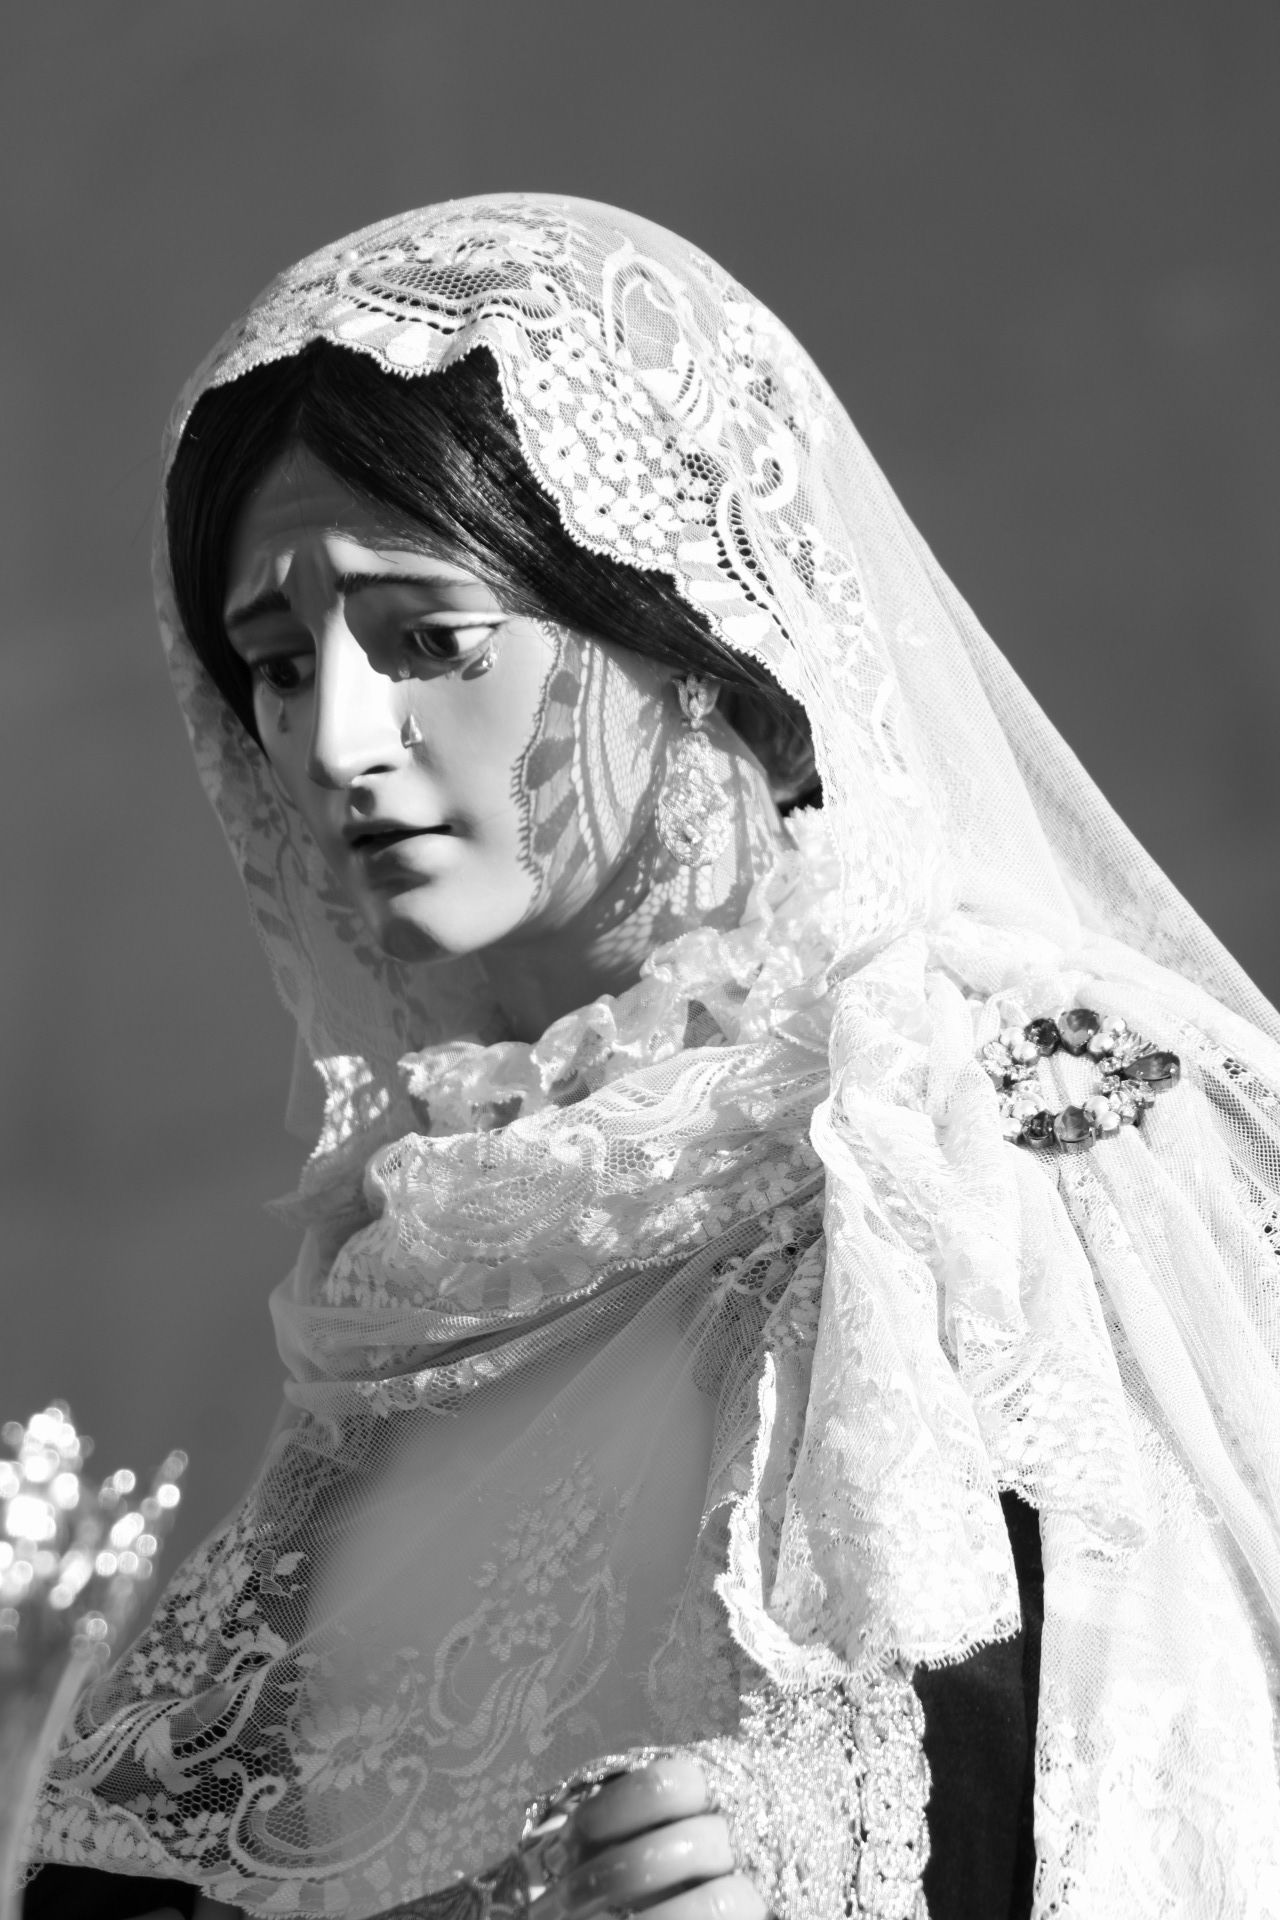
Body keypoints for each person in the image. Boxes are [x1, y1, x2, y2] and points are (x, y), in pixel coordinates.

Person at [23, 196, 1280, 1920]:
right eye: (275, 664)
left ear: (697, 646)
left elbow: (1186, 1767)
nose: (334, 738)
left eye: (426, 639)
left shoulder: (1025, 1115)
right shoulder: (414, 1286)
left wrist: (808, 1866)